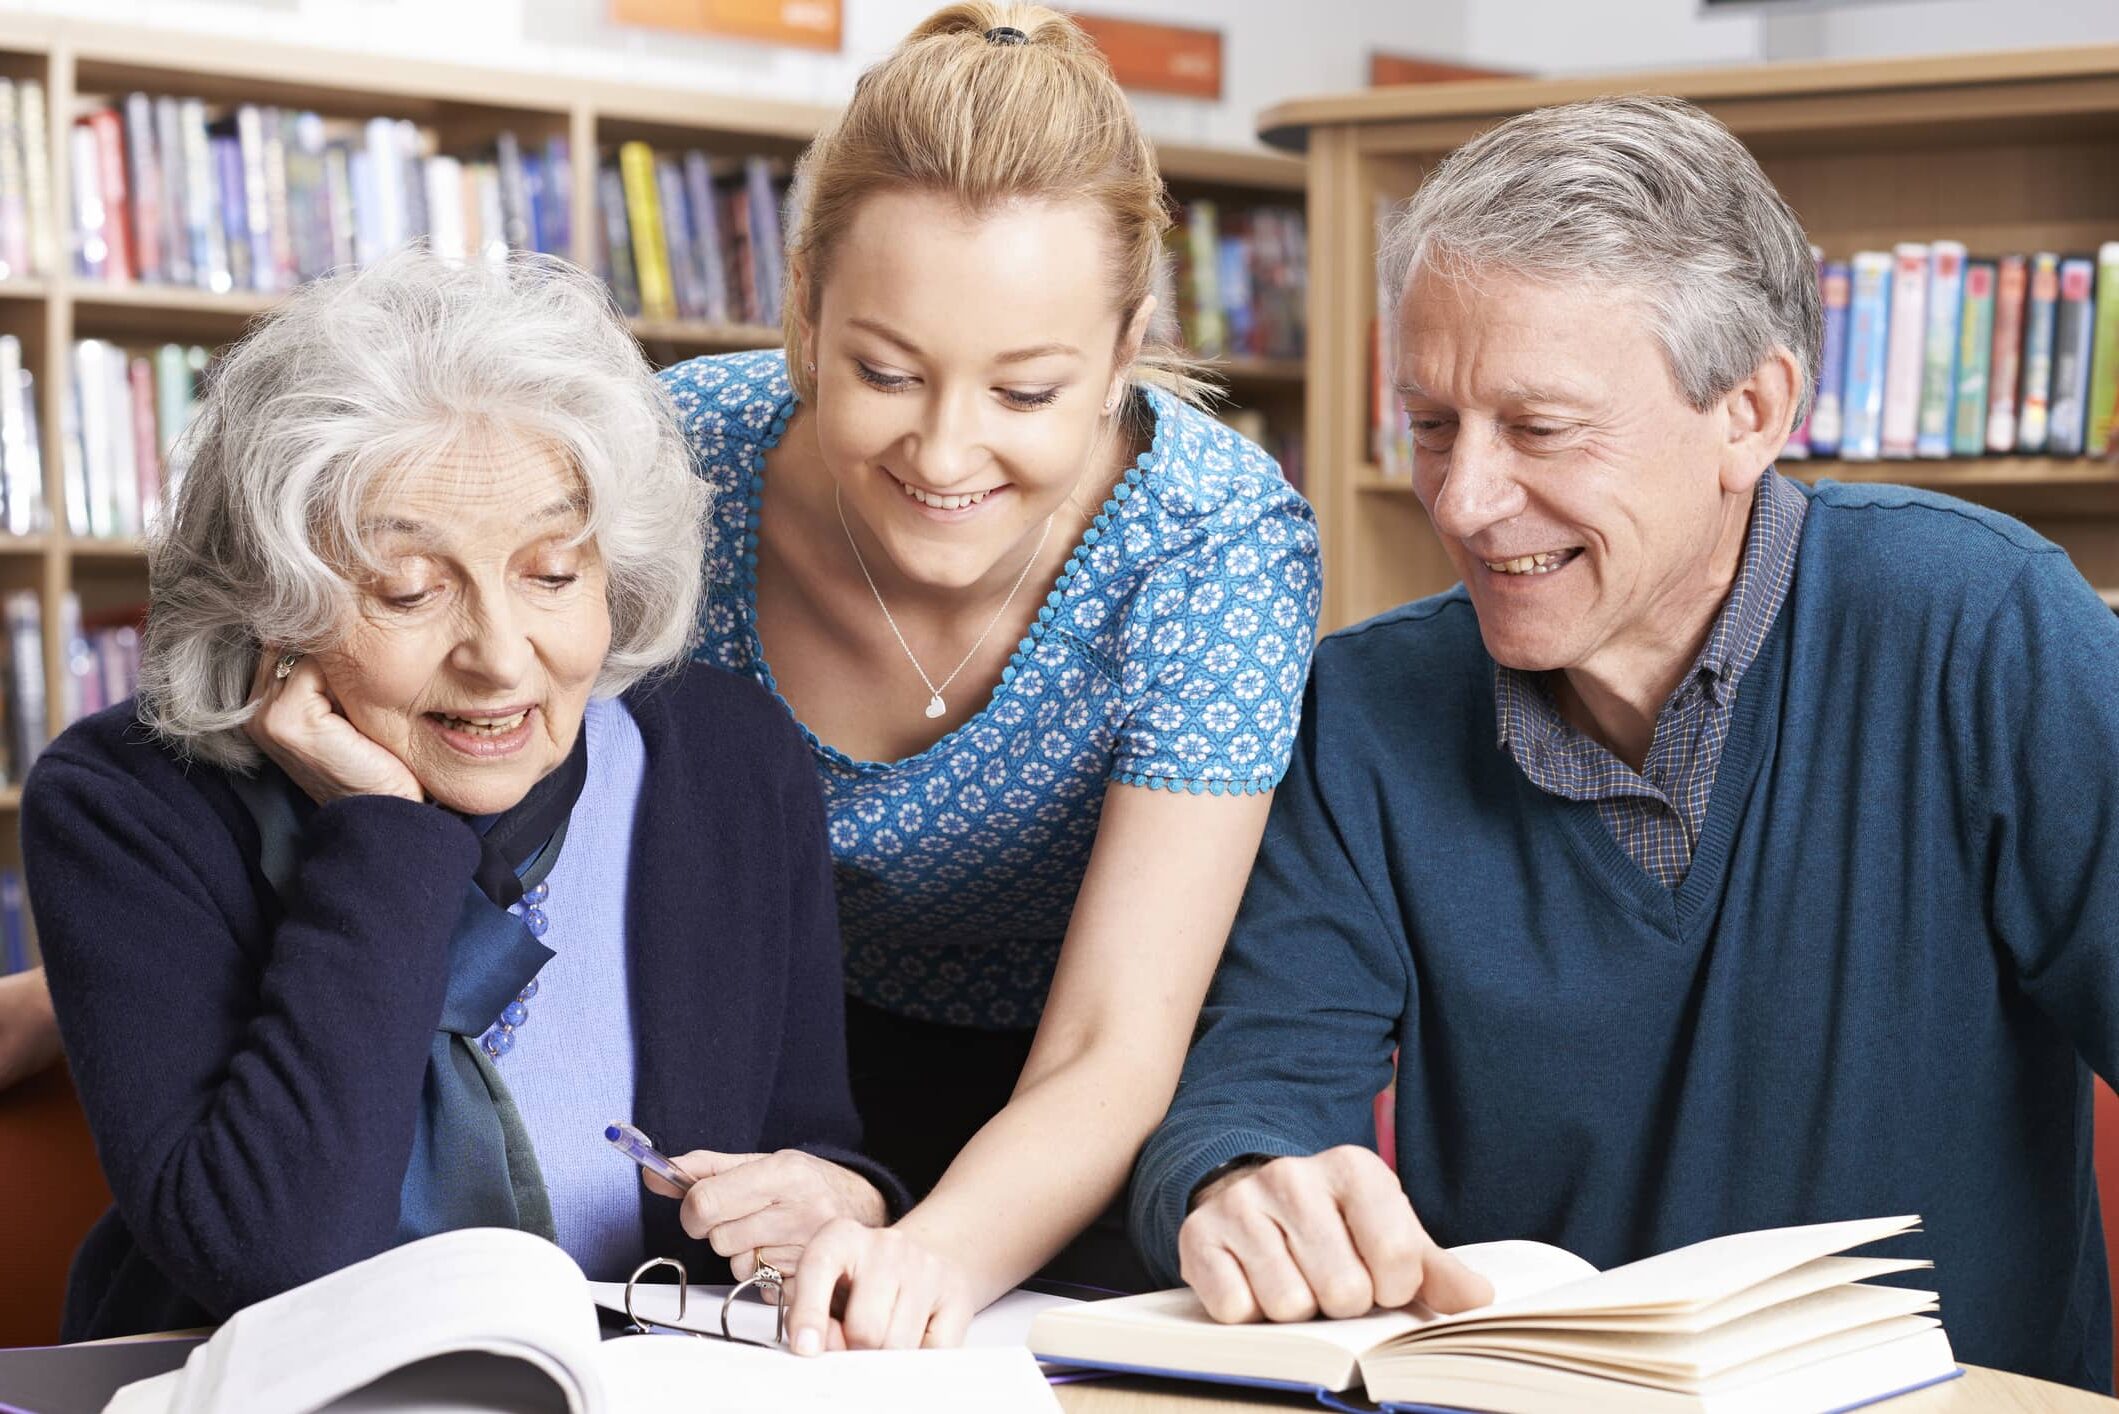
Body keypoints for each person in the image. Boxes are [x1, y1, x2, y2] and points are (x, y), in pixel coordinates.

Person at [1131, 94, 2119, 1395]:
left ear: (1749, 411)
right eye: (1430, 423)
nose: (1465, 500)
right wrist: (1245, 1182)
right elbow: (1247, 1083)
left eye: (1536, 428)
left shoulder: (1978, 628)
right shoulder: (1359, 709)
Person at [23, 247, 903, 1341]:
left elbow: (815, 1138)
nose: (498, 656)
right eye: (408, 589)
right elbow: (269, 1258)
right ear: (274, 603)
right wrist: (382, 835)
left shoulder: (723, 761)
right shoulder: (124, 804)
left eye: (551, 571)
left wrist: (842, 1201)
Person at [653, 2, 1321, 1353]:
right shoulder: (670, 463)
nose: (944, 454)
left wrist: (923, 1254)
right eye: (885, 372)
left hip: (1066, 1121)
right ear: (802, 312)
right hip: (738, 1098)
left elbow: (1114, 1042)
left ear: (1125, 348)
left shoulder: (1214, 546)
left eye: (1023, 393)